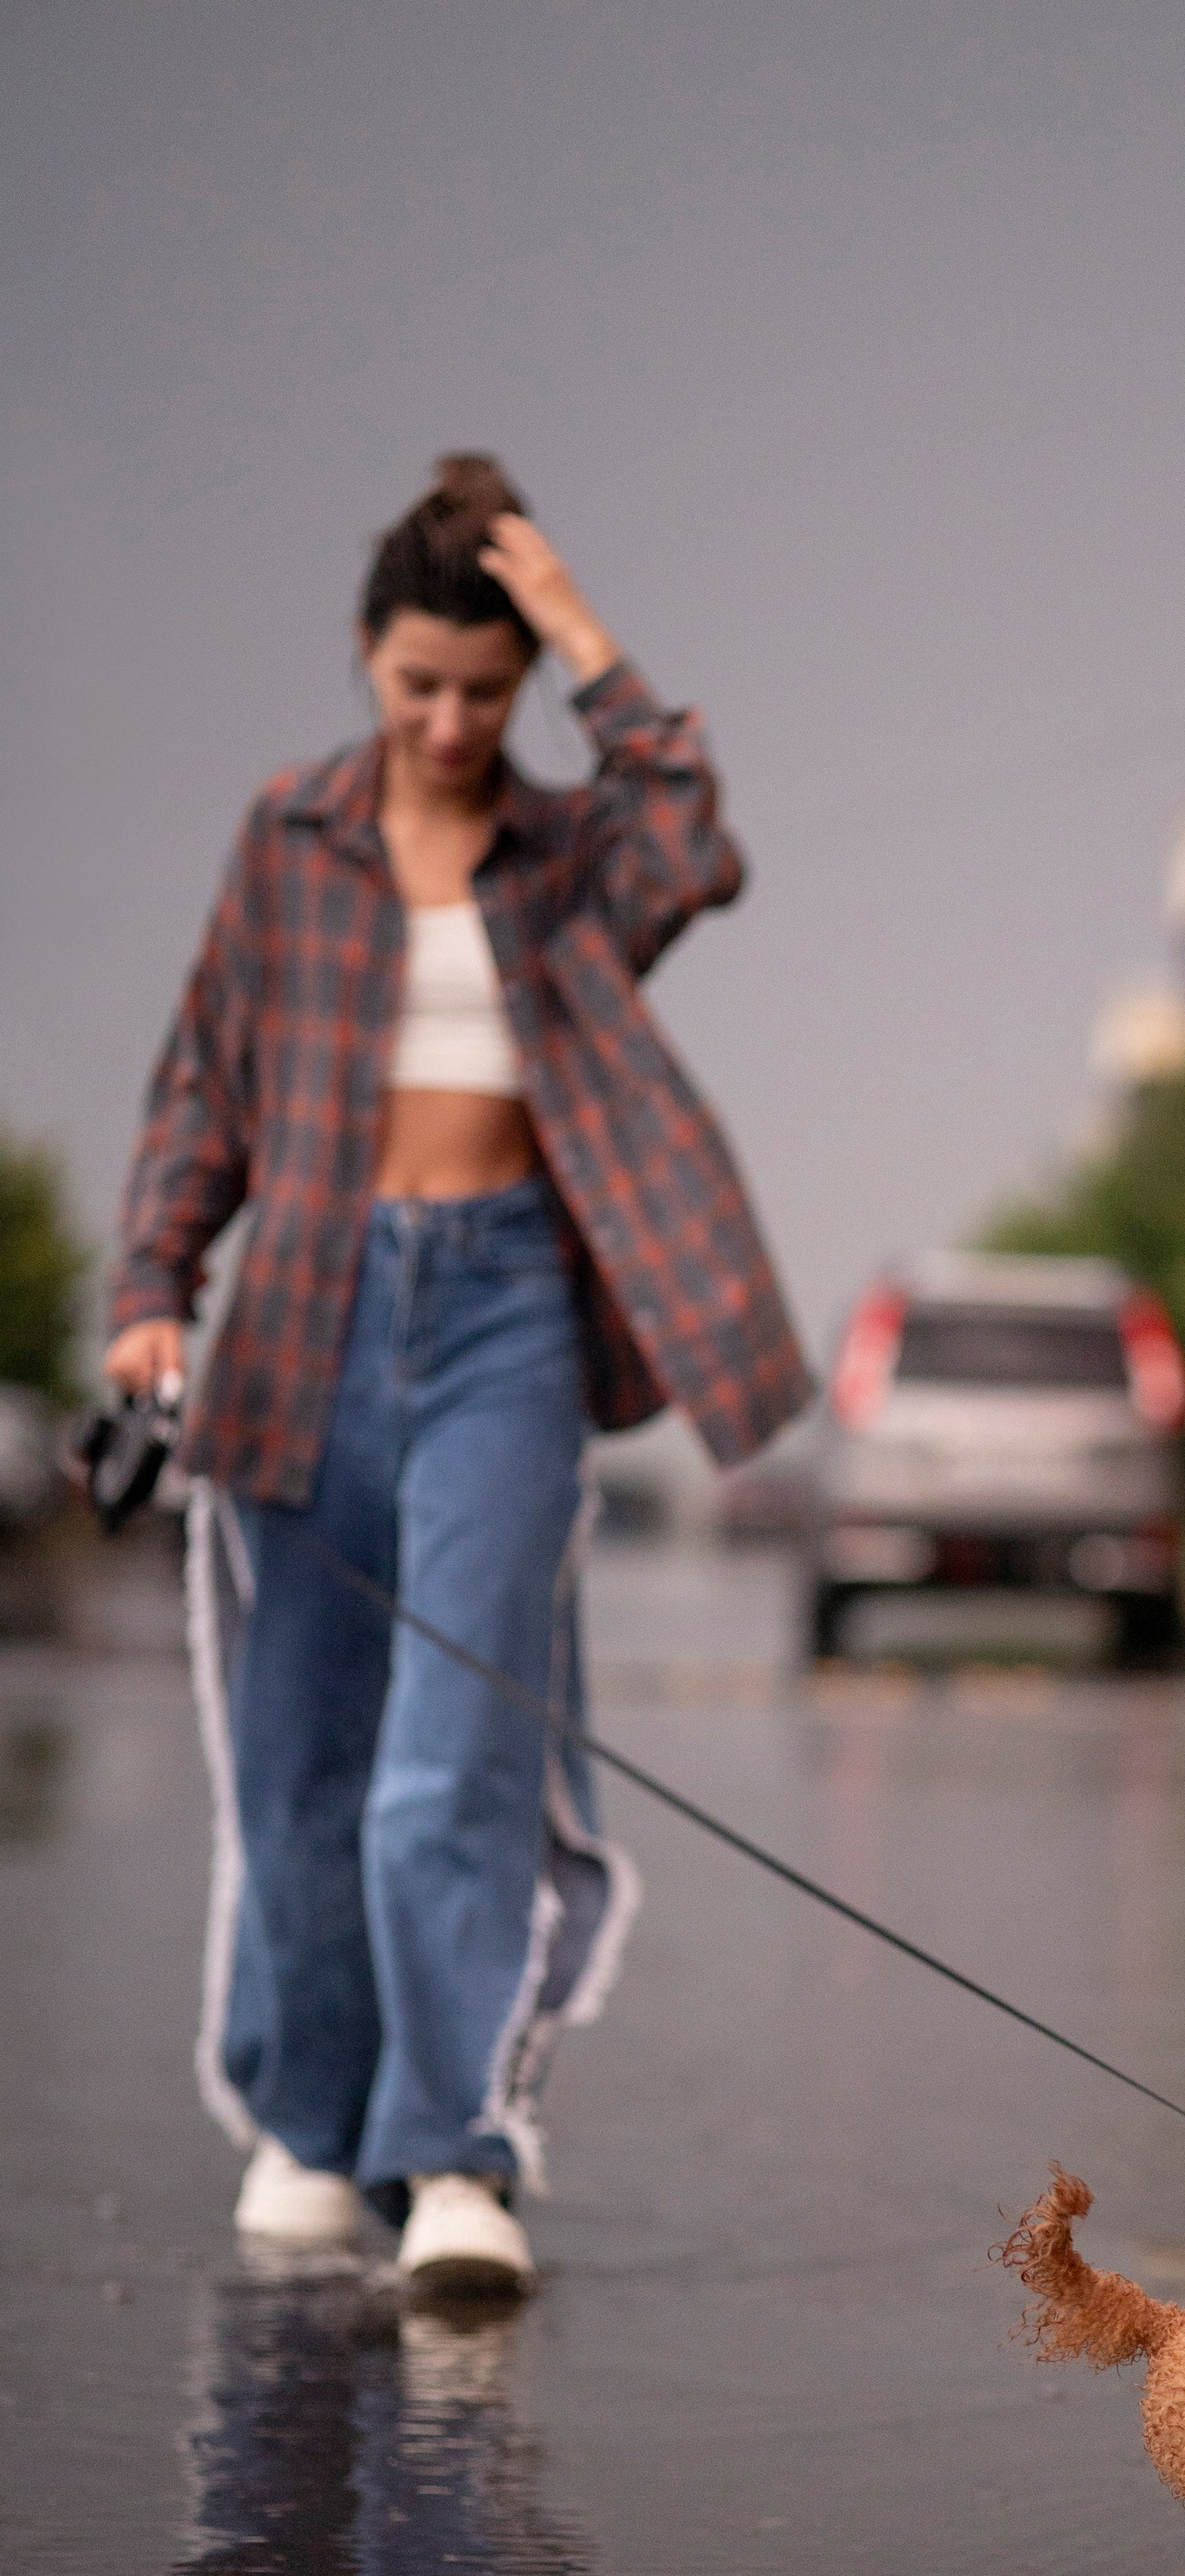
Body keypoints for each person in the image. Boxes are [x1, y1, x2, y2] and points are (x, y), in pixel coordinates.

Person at [107, 454, 810, 2300]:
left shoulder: (570, 851)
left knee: (452, 1767)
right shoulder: (287, 836)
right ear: (366, 658)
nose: (447, 723)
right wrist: (153, 1287)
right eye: (418, 684)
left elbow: (695, 837)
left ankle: (450, 2156)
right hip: (305, 1313)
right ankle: (305, 2122)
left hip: (506, 1312)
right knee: (302, 1762)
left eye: (486, 691)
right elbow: (203, 1080)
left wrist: (580, 630)